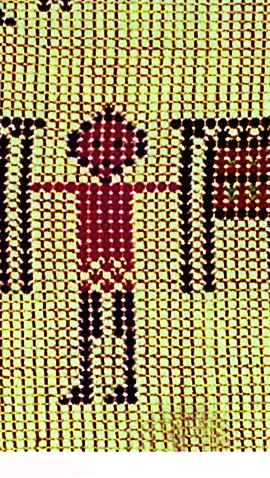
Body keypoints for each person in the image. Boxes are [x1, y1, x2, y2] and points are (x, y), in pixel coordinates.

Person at [31, 108, 177, 405]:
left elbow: (161, 186)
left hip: (118, 267)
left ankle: (126, 382)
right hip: (93, 267)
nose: (106, 158)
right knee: (92, 322)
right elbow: (49, 187)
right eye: (96, 146)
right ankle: (91, 382)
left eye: (116, 146)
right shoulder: (88, 189)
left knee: (119, 322)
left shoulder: (117, 189)